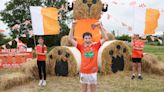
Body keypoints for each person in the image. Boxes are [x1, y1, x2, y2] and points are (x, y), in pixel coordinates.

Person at [68, 20, 108, 92]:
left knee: (93, 90)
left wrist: (100, 27)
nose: (88, 40)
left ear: (91, 39)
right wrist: (73, 26)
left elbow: (106, 38)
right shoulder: (80, 47)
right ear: (83, 39)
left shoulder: (96, 46)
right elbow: (70, 39)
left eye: (89, 38)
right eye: (86, 38)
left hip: (93, 72)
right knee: (84, 90)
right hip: (83, 72)